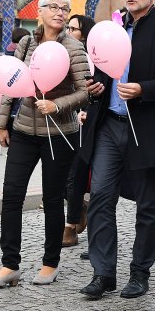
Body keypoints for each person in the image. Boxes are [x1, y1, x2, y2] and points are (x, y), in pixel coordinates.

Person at [77, 0, 155, 300]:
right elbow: (102, 74)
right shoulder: (110, 30)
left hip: (147, 129)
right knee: (100, 197)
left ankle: (140, 272)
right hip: (108, 124)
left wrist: (143, 89)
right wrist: (95, 88)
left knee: (148, 205)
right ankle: (103, 272)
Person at [0, 0, 89, 288]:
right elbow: (11, 84)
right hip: (23, 132)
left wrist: (58, 105)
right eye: (53, 7)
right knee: (11, 195)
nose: (60, 12)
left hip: (59, 134)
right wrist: (2, 122)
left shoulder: (74, 48)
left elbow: (85, 93)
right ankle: (9, 265)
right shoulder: (27, 43)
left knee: (52, 199)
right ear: (40, 12)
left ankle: (50, 262)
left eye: (65, 9)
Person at [63, 14, 95, 248]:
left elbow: (93, 88)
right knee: (65, 178)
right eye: (68, 27)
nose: (69, 31)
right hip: (65, 123)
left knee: (76, 178)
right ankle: (79, 210)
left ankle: (71, 227)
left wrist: (87, 111)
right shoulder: (60, 53)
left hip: (89, 125)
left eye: (74, 29)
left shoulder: (93, 55)